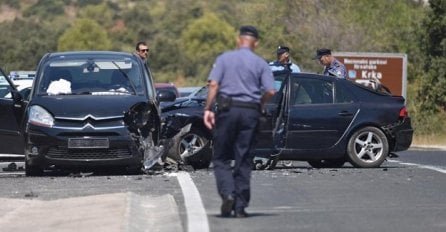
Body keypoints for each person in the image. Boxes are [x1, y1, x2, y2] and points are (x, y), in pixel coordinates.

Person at [203, 25, 276, 218]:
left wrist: (208, 109)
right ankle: (241, 206)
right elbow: (270, 91)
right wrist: (261, 104)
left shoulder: (224, 59)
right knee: (244, 159)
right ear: (256, 43)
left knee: (221, 157)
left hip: (228, 111)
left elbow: (213, 84)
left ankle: (228, 193)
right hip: (250, 112)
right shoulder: (261, 63)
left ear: (238, 40)